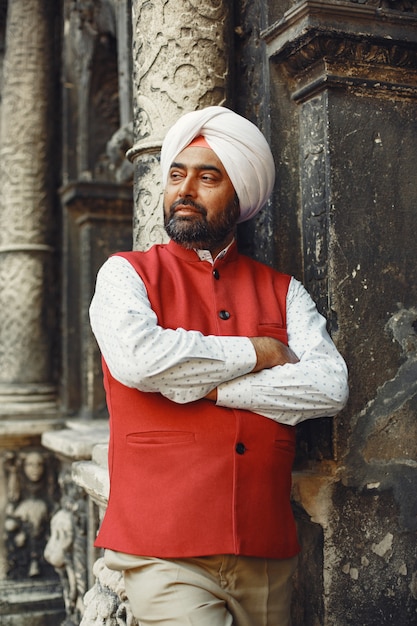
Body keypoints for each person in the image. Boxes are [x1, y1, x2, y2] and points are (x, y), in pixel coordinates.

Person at [89, 106, 349, 626]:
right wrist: (259, 353)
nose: (185, 189)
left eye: (208, 177)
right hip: (164, 550)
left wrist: (209, 388)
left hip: (267, 553)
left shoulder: (285, 291)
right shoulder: (125, 275)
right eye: (177, 175)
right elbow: (141, 360)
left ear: (241, 195)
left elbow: (327, 386)